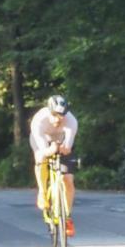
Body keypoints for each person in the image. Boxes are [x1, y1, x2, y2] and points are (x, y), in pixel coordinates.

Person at [30, 95, 79, 237]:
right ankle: (42, 192)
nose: (58, 119)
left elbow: (68, 147)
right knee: (40, 158)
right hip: (42, 141)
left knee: (68, 179)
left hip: (61, 142)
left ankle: (67, 217)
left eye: (62, 115)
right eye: (55, 115)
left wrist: (63, 148)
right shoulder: (39, 120)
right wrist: (49, 150)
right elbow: (42, 149)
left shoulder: (71, 121)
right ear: (49, 111)